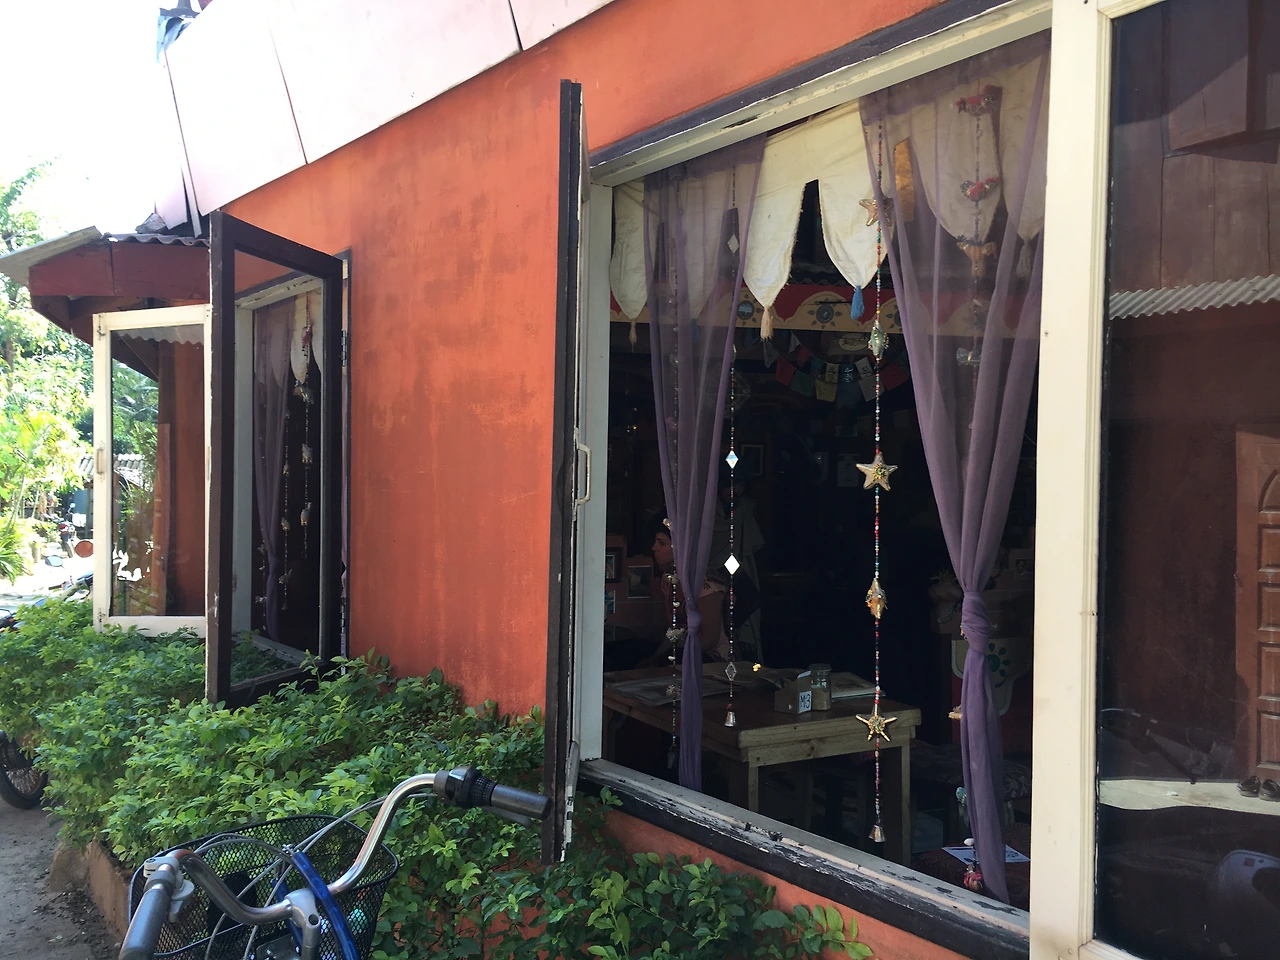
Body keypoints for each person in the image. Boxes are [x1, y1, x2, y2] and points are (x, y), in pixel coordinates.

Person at [643, 514, 730, 664]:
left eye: (661, 543)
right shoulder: (669, 578)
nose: (654, 548)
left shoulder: (704, 582)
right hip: (681, 651)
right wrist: (654, 659)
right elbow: (673, 629)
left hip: (711, 658)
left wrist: (674, 658)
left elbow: (709, 639)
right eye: (655, 542)